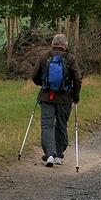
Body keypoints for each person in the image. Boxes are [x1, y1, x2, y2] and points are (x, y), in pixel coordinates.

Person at [31, 34, 82, 167]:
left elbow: (34, 76)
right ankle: (59, 155)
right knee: (61, 125)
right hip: (65, 98)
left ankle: (50, 154)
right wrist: (75, 95)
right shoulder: (70, 58)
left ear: (52, 44)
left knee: (47, 125)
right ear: (65, 45)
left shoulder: (44, 57)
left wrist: (43, 85)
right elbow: (77, 78)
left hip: (46, 97)